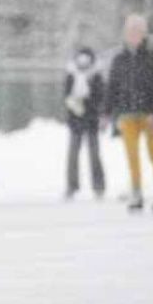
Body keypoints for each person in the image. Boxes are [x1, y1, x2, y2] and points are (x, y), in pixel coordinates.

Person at [104, 14, 153, 212]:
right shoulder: (119, 60)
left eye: (137, 32)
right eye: (130, 31)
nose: (133, 35)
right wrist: (106, 112)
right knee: (132, 156)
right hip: (127, 114)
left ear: (144, 34)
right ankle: (136, 193)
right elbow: (112, 88)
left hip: (149, 114)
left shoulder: (152, 59)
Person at [63, 47, 106, 199]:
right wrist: (74, 104)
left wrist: (92, 107)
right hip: (75, 120)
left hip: (92, 120)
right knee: (73, 154)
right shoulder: (71, 75)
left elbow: (101, 97)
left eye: (86, 60)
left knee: (94, 154)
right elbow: (67, 95)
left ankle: (98, 186)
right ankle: (71, 186)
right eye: (80, 60)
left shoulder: (96, 76)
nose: (83, 63)